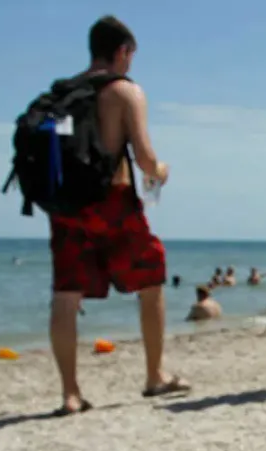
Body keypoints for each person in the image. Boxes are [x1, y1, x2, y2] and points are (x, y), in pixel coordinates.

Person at [44, 16, 188, 416]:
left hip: (67, 206)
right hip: (113, 200)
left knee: (66, 294)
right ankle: (155, 375)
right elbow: (144, 158)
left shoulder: (62, 94)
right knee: (152, 277)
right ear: (123, 51)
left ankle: (70, 393)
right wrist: (162, 172)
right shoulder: (124, 92)